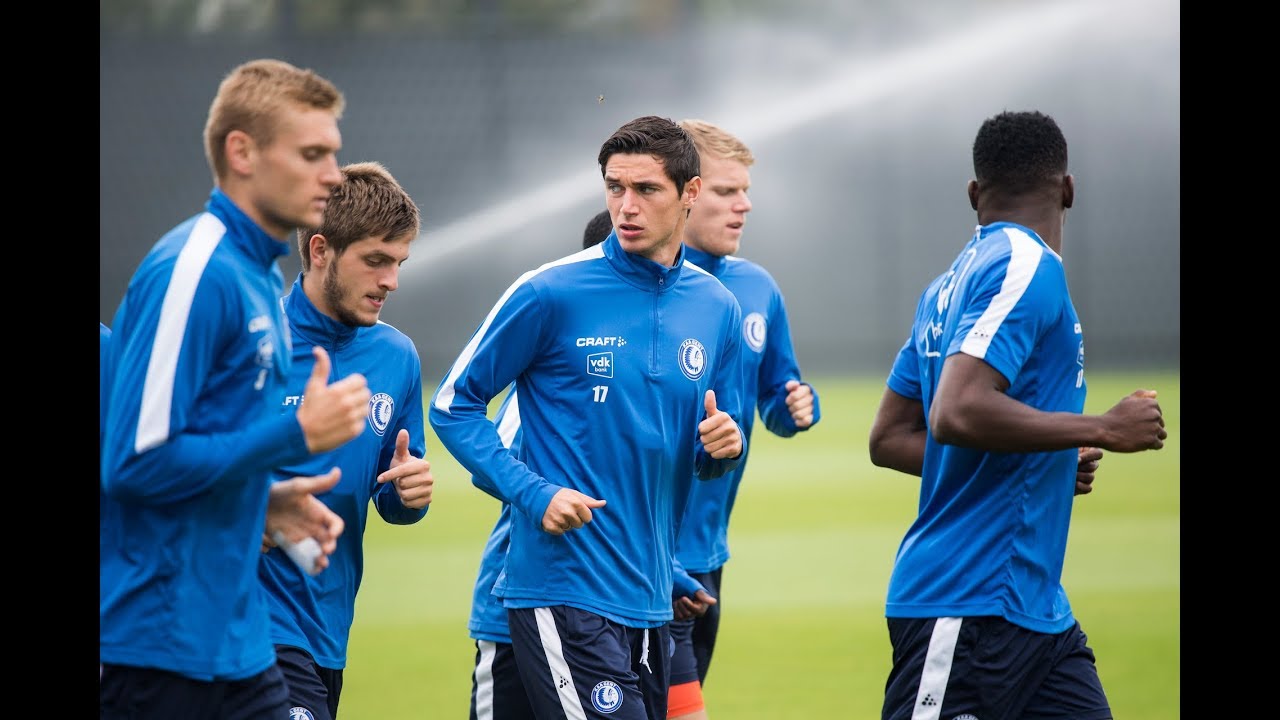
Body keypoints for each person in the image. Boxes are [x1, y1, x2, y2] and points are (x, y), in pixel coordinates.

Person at [432, 115, 747, 720]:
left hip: (651, 600)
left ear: (689, 194)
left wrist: (719, 447)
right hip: (561, 588)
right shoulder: (549, 293)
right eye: (614, 187)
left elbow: (697, 453)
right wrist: (534, 493)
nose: (626, 206)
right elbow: (453, 405)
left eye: (646, 190)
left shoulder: (716, 308)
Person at [867, 109, 1167, 720]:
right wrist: (1102, 428)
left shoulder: (948, 282)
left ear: (974, 194)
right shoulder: (1025, 266)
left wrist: (1047, 455)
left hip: (1033, 610)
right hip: (968, 602)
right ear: (1069, 189)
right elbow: (958, 411)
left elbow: (893, 436)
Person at [100, 58, 372, 719]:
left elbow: (212, 441)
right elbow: (136, 461)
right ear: (242, 152)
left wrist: (269, 500)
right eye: (312, 154)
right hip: (161, 647)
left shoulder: (254, 273)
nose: (332, 174)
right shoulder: (195, 271)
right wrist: (295, 435)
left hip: (239, 640)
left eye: (333, 154)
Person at [258, 160, 434, 720]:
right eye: (376, 261)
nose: (391, 281)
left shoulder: (396, 356)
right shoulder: (251, 343)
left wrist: (408, 493)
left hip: (328, 624)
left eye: (399, 263)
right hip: (249, 622)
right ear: (319, 251)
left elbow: (392, 496)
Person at [663, 119, 822, 720]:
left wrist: (796, 405)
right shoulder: (651, 290)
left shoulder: (758, 288)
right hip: (649, 556)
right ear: (687, 189)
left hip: (709, 553)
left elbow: (779, 400)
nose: (744, 204)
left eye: (745, 191)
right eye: (727, 191)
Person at [466, 207, 617, 720]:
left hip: (599, 600)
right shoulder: (558, 376)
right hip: (513, 612)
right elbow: (492, 460)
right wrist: (541, 494)